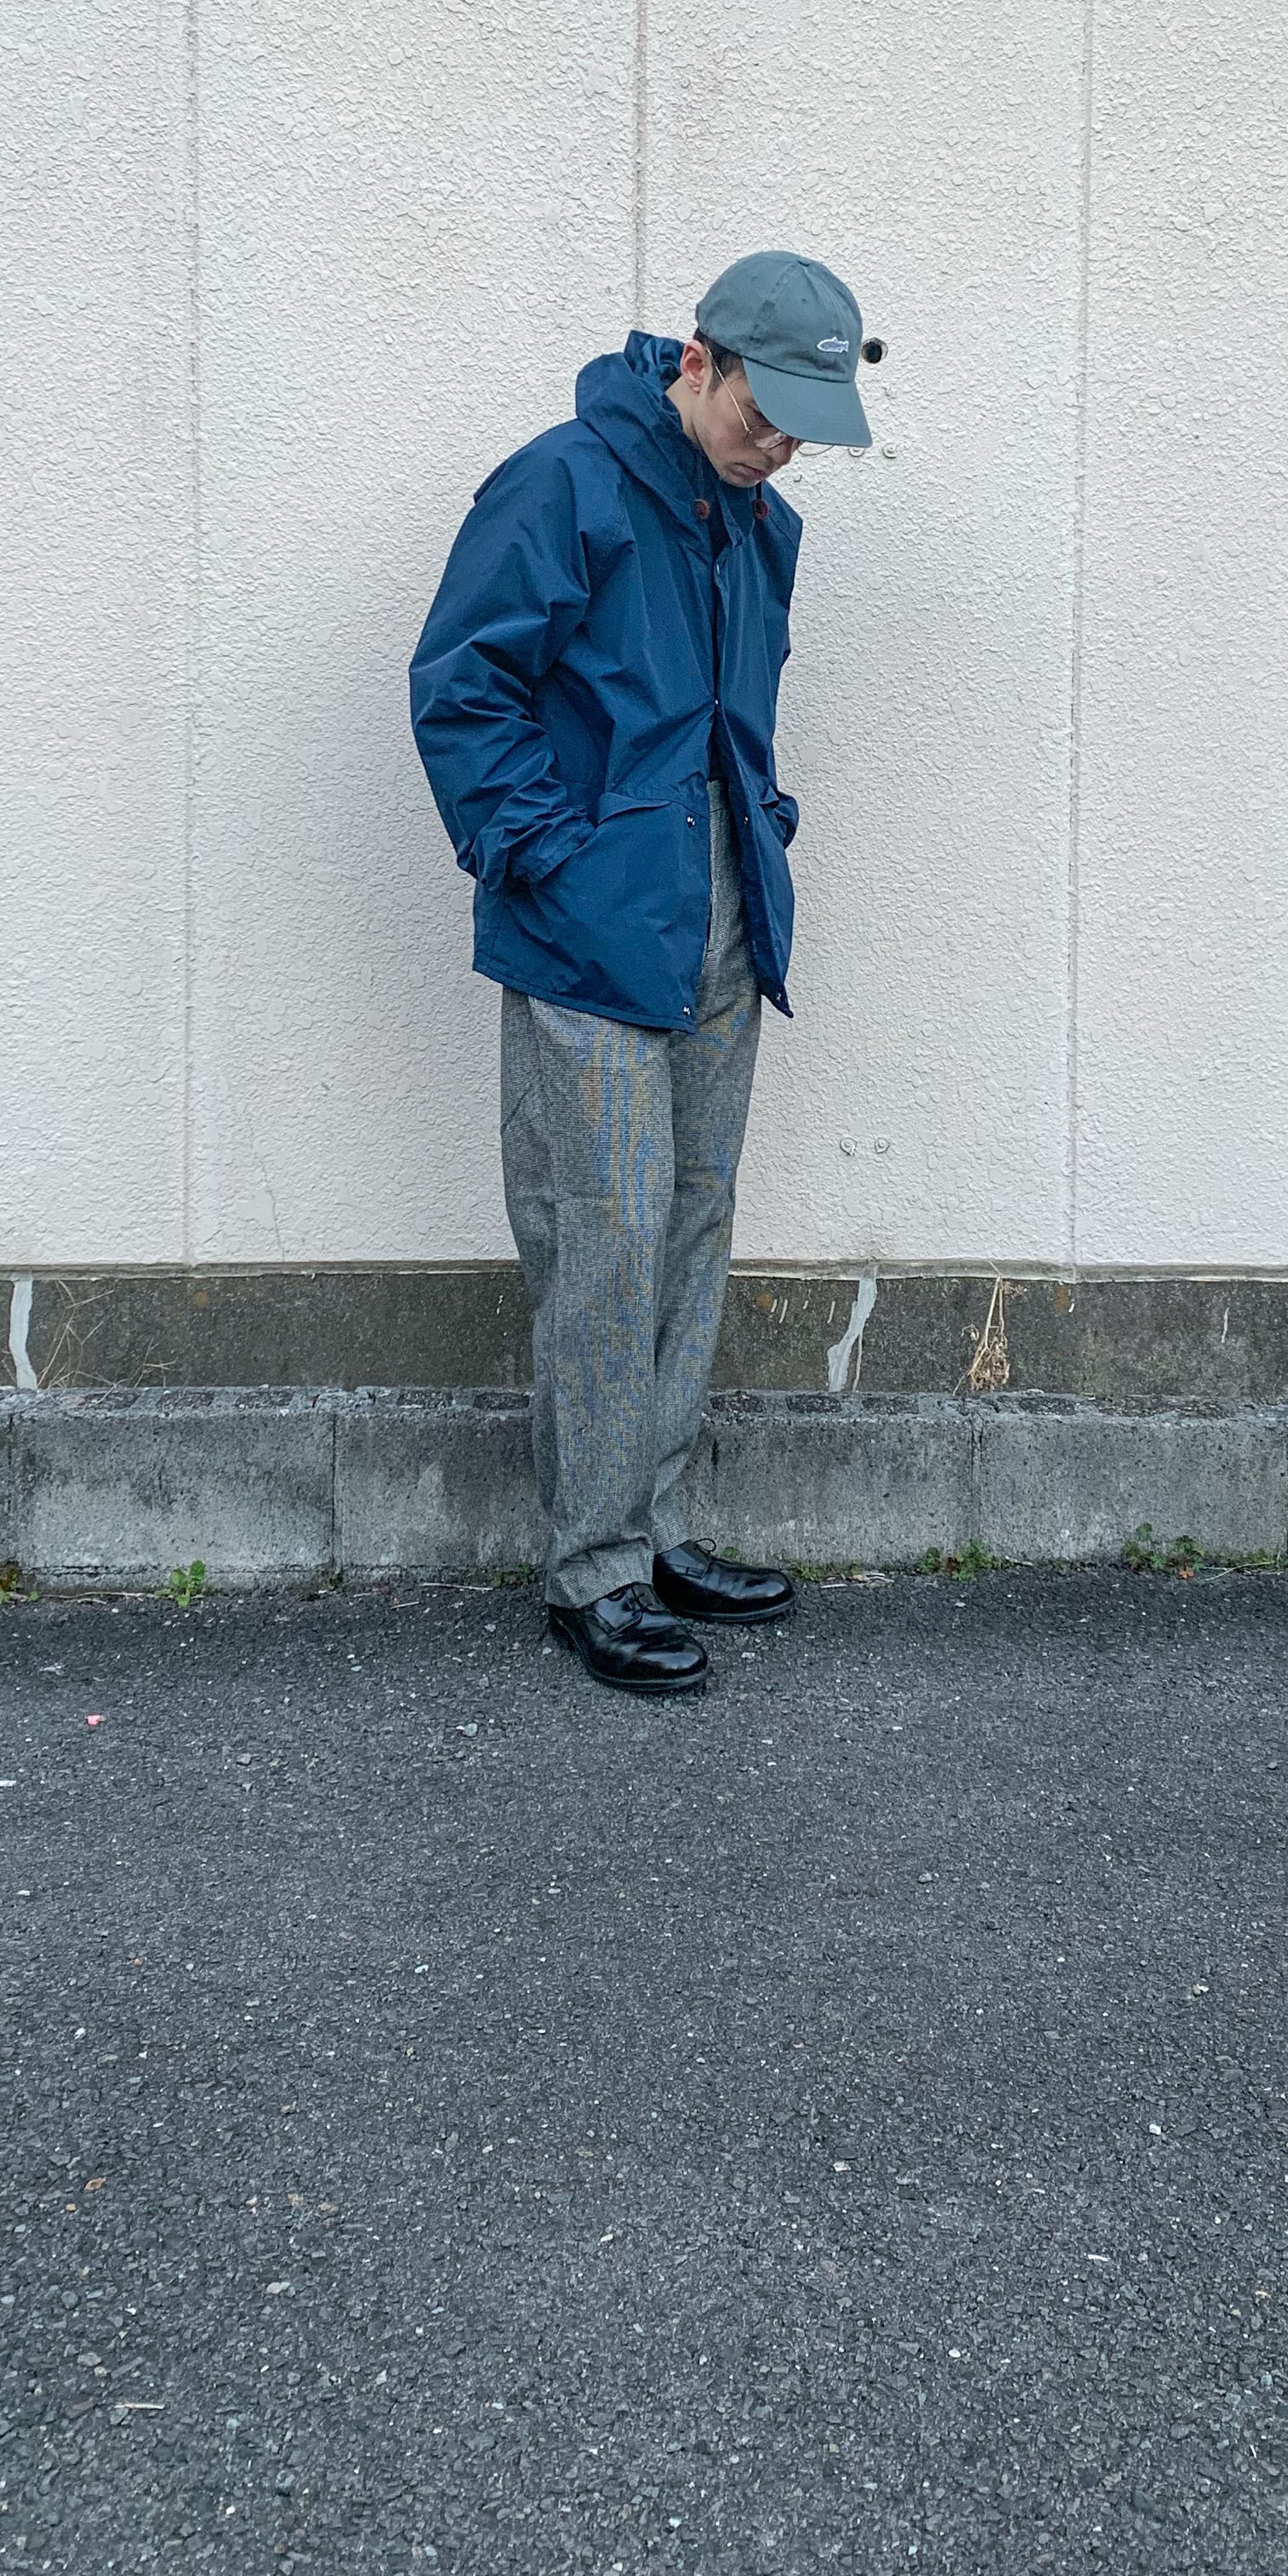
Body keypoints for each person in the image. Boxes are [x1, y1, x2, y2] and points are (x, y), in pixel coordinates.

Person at [408, 252, 878, 1694]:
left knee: (687, 1226)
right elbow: (463, 689)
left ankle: (657, 1530)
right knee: (603, 1244)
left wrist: (761, 829)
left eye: (801, 428)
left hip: (722, 918)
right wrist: (551, 858)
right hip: (594, 933)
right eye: (761, 411)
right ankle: (595, 1569)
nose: (776, 444)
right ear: (696, 361)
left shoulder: (758, 523)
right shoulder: (562, 485)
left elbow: (733, 718)